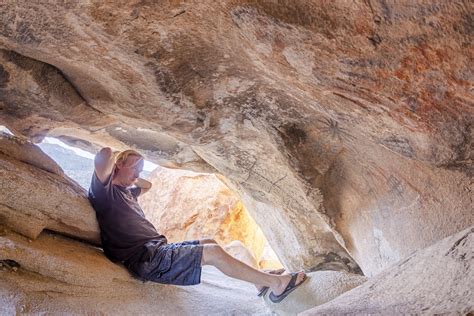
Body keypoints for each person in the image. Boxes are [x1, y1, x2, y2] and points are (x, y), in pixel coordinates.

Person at [88, 147, 306, 303]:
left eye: (141, 169)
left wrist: (132, 173)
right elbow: (104, 154)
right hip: (145, 259)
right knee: (211, 252)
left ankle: (259, 282)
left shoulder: (128, 193)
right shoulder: (105, 192)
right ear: (118, 165)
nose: (138, 174)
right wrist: (121, 163)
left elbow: (148, 185)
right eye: (135, 168)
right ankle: (277, 284)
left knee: (214, 242)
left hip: (158, 249)